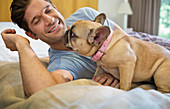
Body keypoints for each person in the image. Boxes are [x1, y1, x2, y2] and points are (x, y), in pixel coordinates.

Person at [1, 0, 120, 97]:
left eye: (48, 10)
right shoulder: (62, 64)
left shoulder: (86, 15)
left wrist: (113, 70)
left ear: (56, 9)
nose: (50, 20)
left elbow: (127, 41)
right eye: (37, 21)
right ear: (32, 35)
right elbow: (43, 93)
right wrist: (22, 45)